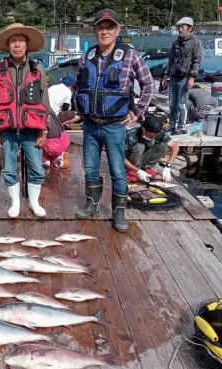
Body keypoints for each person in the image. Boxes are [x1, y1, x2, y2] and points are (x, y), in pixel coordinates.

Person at [75, 9, 154, 232]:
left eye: (109, 27)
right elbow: (78, 85)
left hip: (114, 126)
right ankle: (92, 204)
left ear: (117, 30)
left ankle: (119, 212)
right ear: (94, 31)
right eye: (100, 27)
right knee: (90, 168)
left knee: (117, 170)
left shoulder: (130, 54)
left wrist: (137, 111)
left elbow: (148, 84)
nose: (104, 31)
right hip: (90, 125)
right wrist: (78, 107)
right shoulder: (87, 56)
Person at [0, 23, 50, 218]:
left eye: (20, 41)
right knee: (8, 167)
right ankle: (14, 203)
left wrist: (44, 130)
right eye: (13, 41)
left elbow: (44, 100)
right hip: (7, 129)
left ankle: (34, 202)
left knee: (37, 167)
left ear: (27, 45)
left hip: (32, 129)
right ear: (8, 45)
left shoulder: (37, 68)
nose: (17, 45)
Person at [161, 17, 202, 134]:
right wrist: (165, 76)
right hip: (173, 77)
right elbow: (170, 60)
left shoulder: (196, 42)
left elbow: (196, 61)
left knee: (181, 104)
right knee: (172, 103)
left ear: (190, 28)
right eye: (179, 27)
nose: (179, 29)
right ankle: (172, 125)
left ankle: (182, 126)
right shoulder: (175, 43)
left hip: (185, 78)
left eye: (182, 27)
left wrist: (192, 77)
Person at [125, 114, 179, 183]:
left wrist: (168, 166)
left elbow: (175, 146)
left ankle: (145, 169)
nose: (153, 138)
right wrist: (137, 170)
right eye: (150, 136)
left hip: (142, 160)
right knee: (140, 147)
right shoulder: (131, 135)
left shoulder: (157, 133)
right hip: (129, 163)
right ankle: (132, 171)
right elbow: (120, 157)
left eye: (155, 136)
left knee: (163, 146)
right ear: (143, 129)